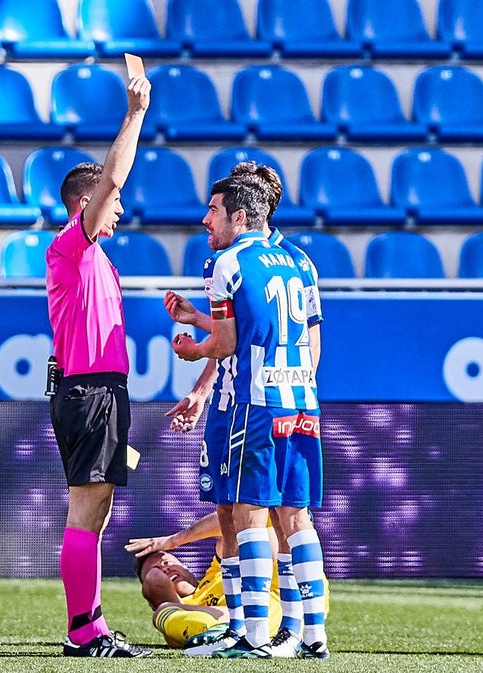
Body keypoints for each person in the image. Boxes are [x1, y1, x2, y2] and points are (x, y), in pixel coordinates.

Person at [168, 162, 329, 658]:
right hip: (300, 400)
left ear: (239, 216)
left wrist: (192, 347)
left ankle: (253, 635)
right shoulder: (300, 261)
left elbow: (228, 341)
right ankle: (310, 635)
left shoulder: (229, 265)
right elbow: (313, 342)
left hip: (253, 404)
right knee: (294, 515)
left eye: (213, 210)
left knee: (249, 513)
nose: (204, 220)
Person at [45, 67, 152, 659]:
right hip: (89, 394)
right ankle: (84, 631)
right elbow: (113, 177)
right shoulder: (73, 243)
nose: (118, 213)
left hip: (100, 390)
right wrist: (134, 115)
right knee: (87, 511)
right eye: (111, 204)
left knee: (98, 509)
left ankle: (89, 624)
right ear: (87, 203)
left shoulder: (97, 258)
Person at [125, 513, 283, 651]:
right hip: (218, 625)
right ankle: (224, 630)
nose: (165, 568)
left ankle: (229, 628)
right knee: (163, 613)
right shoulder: (177, 617)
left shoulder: (217, 569)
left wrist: (174, 540)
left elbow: (233, 520)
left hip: (270, 605)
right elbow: (154, 580)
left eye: (167, 561)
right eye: (159, 569)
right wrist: (167, 603)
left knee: (255, 518)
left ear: (185, 566)